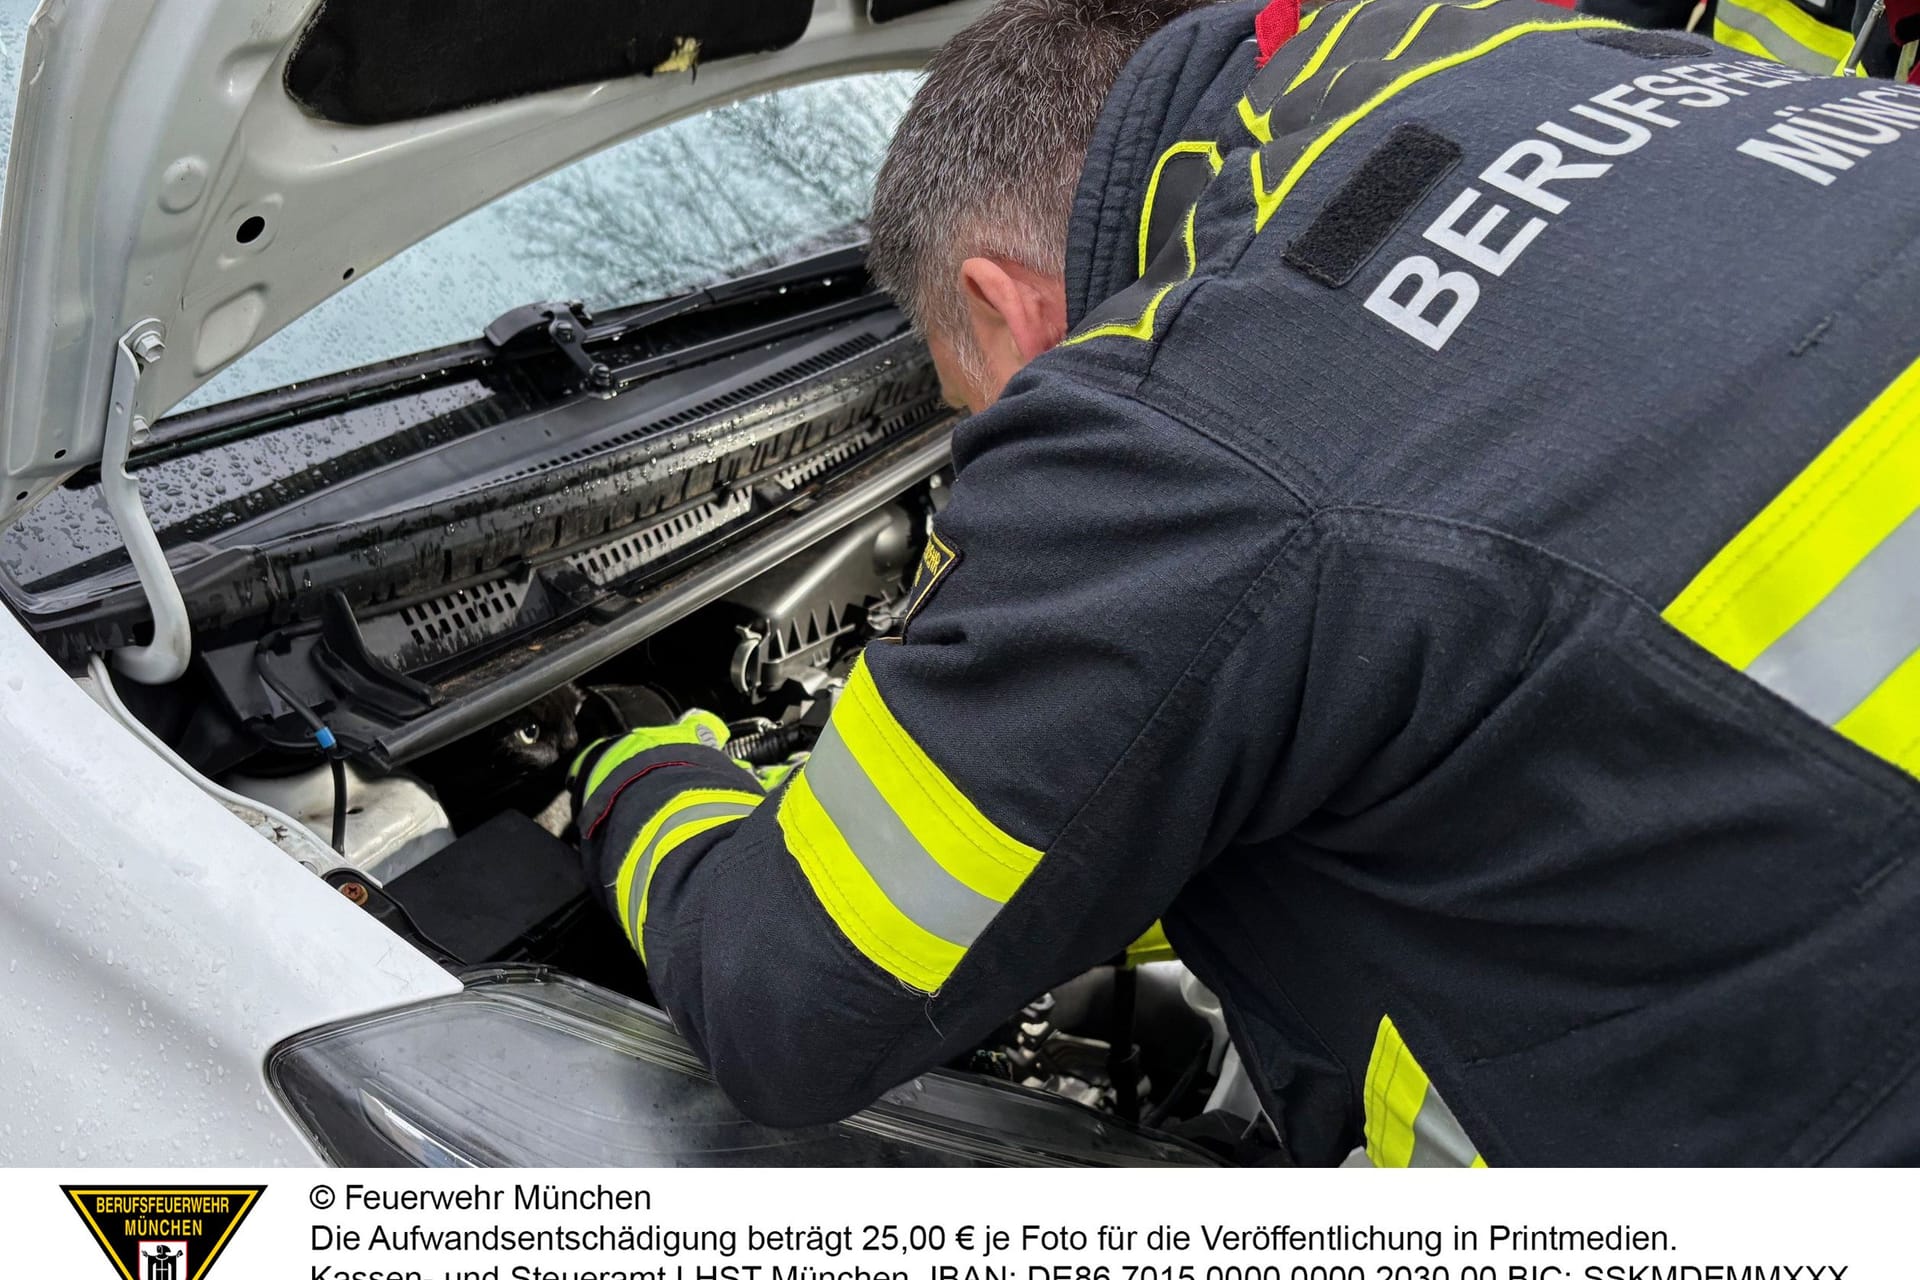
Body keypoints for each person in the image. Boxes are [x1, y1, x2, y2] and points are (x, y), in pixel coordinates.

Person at [571, 0, 1920, 1165]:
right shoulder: (1548, 62)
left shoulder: (1193, 418)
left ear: (997, 306)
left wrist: (636, 769)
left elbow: (783, 998)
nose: (978, 436)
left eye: (958, 390)